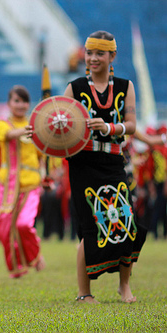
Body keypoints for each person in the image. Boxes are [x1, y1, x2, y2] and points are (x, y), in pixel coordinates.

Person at [63, 30, 147, 303]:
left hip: (113, 161)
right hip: (82, 164)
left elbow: (131, 126)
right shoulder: (74, 87)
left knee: (128, 222)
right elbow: (58, 119)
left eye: (100, 53)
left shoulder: (125, 86)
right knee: (90, 226)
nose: (93, 58)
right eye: (89, 53)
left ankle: (125, 286)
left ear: (113, 56)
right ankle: (84, 293)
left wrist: (110, 127)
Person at [0, 85, 45, 278]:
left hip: (31, 184)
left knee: (23, 224)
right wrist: (31, 130)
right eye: (16, 101)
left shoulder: (35, 128)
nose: (20, 105)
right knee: (4, 230)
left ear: (28, 104)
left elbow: (42, 155)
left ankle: (35, 255)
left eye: (23, 101)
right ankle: (16, 267)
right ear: (9, 103)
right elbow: (7, 135)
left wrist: (46, 176)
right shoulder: (2, 124)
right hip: (7, 186)